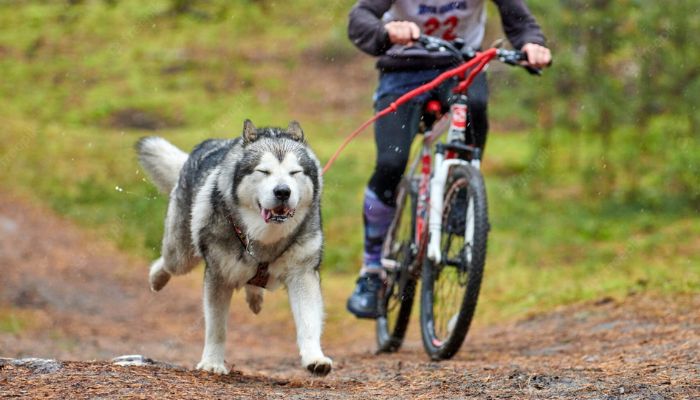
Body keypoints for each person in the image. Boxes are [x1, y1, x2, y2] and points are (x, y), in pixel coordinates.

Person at [346, 0, 552, 318]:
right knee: (390, 165)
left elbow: (519, 20)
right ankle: (372, 271)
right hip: (403, 70)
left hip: (461, 67)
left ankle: (461, 197)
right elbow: (359, 18)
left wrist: (532, 45)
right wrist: (386, 32)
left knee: (475, 107)